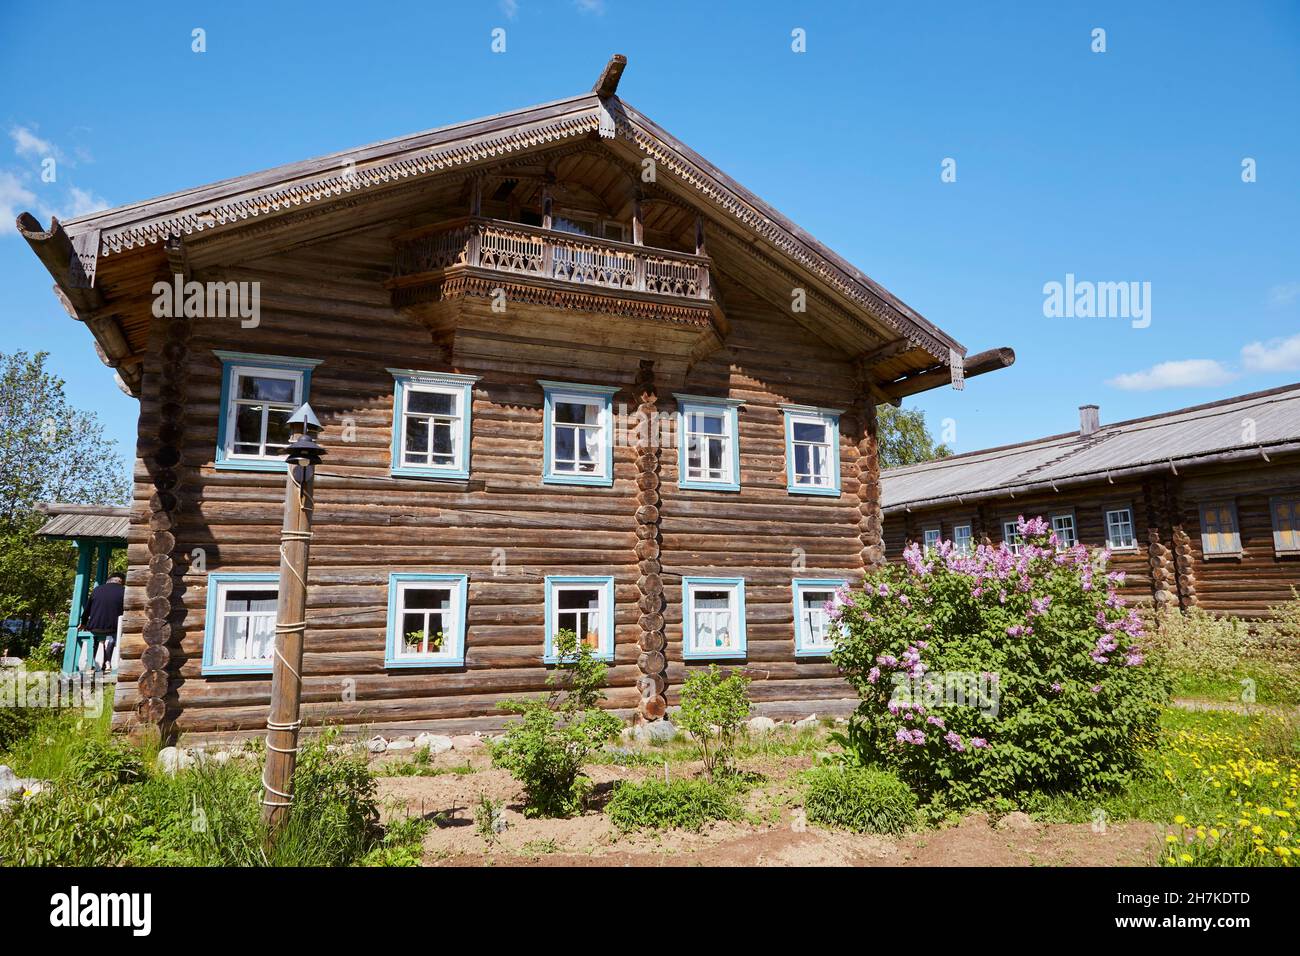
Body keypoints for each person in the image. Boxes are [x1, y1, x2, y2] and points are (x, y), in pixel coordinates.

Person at [80, 573, 125, 672]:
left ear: (108, 580)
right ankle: (109, 662)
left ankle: (95, 664)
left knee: (96, 638)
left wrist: (83, 623)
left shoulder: (97, 590)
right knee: (115, 638)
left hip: (95, 627)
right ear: (121, 581)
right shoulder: (124, 591)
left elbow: (87, 610)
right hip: (114, 628)